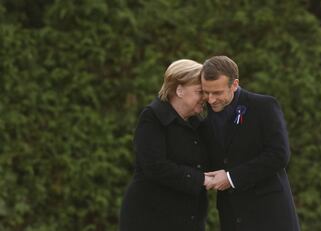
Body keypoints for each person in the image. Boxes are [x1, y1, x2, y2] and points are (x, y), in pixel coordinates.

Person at [201, 56, 300, 231]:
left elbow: (278, 155)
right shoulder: (203, 117)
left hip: (269, 215)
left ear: (235, 84)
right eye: (206, 92)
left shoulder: (264, 106)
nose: (210, 99)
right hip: (232, 216)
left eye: (217, 93)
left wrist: (231, 178)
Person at [119, 59, 212, 231]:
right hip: (150, 217)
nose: (205, 98)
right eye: (200, 92)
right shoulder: (153, 118)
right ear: (179, 90)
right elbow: (154, 166)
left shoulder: (198, 123)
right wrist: (201, 179)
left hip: (188, 218)